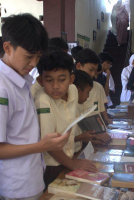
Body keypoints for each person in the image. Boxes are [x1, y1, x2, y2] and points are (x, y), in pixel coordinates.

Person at [0, 14, 70, 200]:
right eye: (29, 57)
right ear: (7, 47)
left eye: (38, 57)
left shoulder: (19, 81)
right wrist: (41, 146)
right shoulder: (0, 91)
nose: (34, 63)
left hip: (30, 176)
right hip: (17, 184)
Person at [34, 50, 98, 190]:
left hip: (70, 158)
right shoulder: (43, 101)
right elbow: (49, 145)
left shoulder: (73, 90)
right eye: (49, 80)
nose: (56, 86)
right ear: (41, 80)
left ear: (71, 79)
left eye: (62, 79)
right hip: (52, 167)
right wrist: (73, 164)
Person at [74, 49, 112, 142]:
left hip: (93, 136)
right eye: (90, 70)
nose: (93, 74)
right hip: (77, 140)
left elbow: (101, 108)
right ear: (78, 66)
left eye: (95, 71)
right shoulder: (69, 88)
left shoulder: (97, 87)